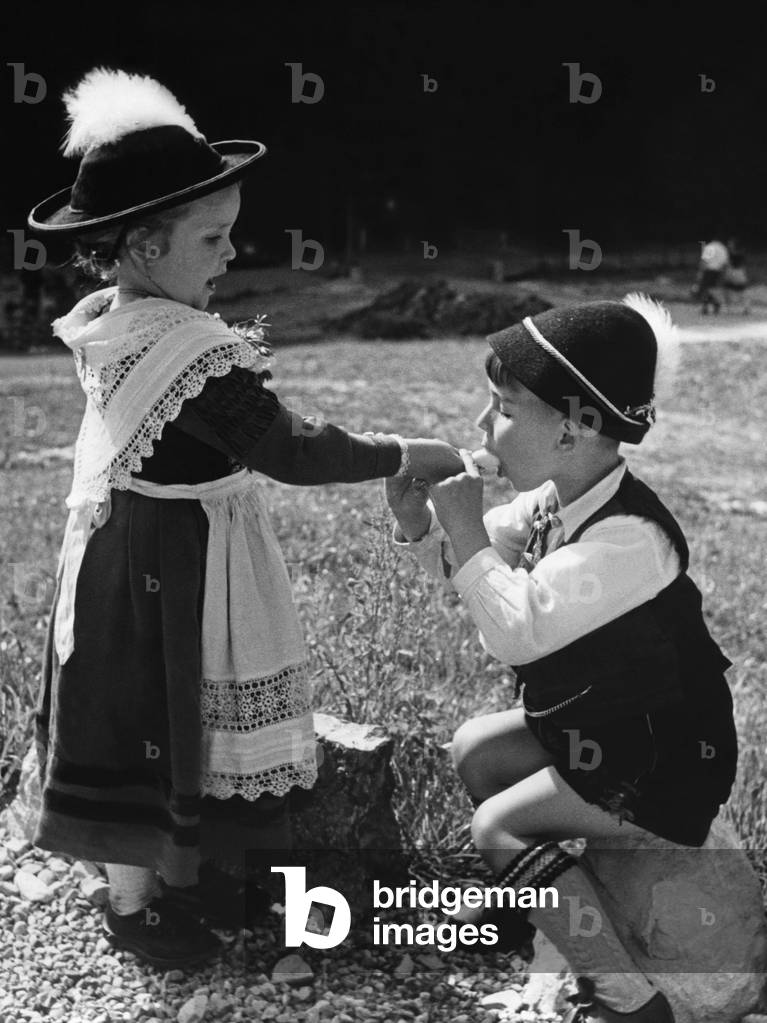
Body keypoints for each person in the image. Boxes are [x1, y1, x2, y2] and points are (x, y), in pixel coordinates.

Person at [27, 68, 463, 969]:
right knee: (166, 708)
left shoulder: (117, 318)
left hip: (125, 546)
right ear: (144, 244)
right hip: (173, 561)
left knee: (146, 713)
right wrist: (399, 452)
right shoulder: (187, 352)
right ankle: (136, 901)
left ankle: (178, 871)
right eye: (213, 237)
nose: (231, 253)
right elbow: (292, 450)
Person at [386, 296, 738, 1023]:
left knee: (498, 826)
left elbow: (513, 630)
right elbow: (471, 566)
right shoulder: (552, 498)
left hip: (659, 759)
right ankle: (524, 905)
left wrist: (465, 532)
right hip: (600, 726)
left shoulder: (630, 539)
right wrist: (420, 523)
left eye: (505, 409)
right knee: (475, 749)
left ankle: (628, 999)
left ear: (576, 428)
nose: (483, 428)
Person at [693, 239, 728, 314]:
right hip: (719, 271)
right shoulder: (723, 248)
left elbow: (704, 261)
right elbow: (725, 263)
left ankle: (705, 307)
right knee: (715, 289)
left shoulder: (710, 247)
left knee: (706, 290)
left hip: (709, 271)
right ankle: (716, 306)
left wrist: (700, 272)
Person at [723, 236, 751, 314]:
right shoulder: (741, 253)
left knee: (729, 290)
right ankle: (746, 308)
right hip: (740, 273)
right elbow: (744, 266)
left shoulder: (730, 254)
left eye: (730, 243)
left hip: (733, 272)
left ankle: (730, 309)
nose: (728, 245)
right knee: (742, 291)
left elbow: (728, 265)